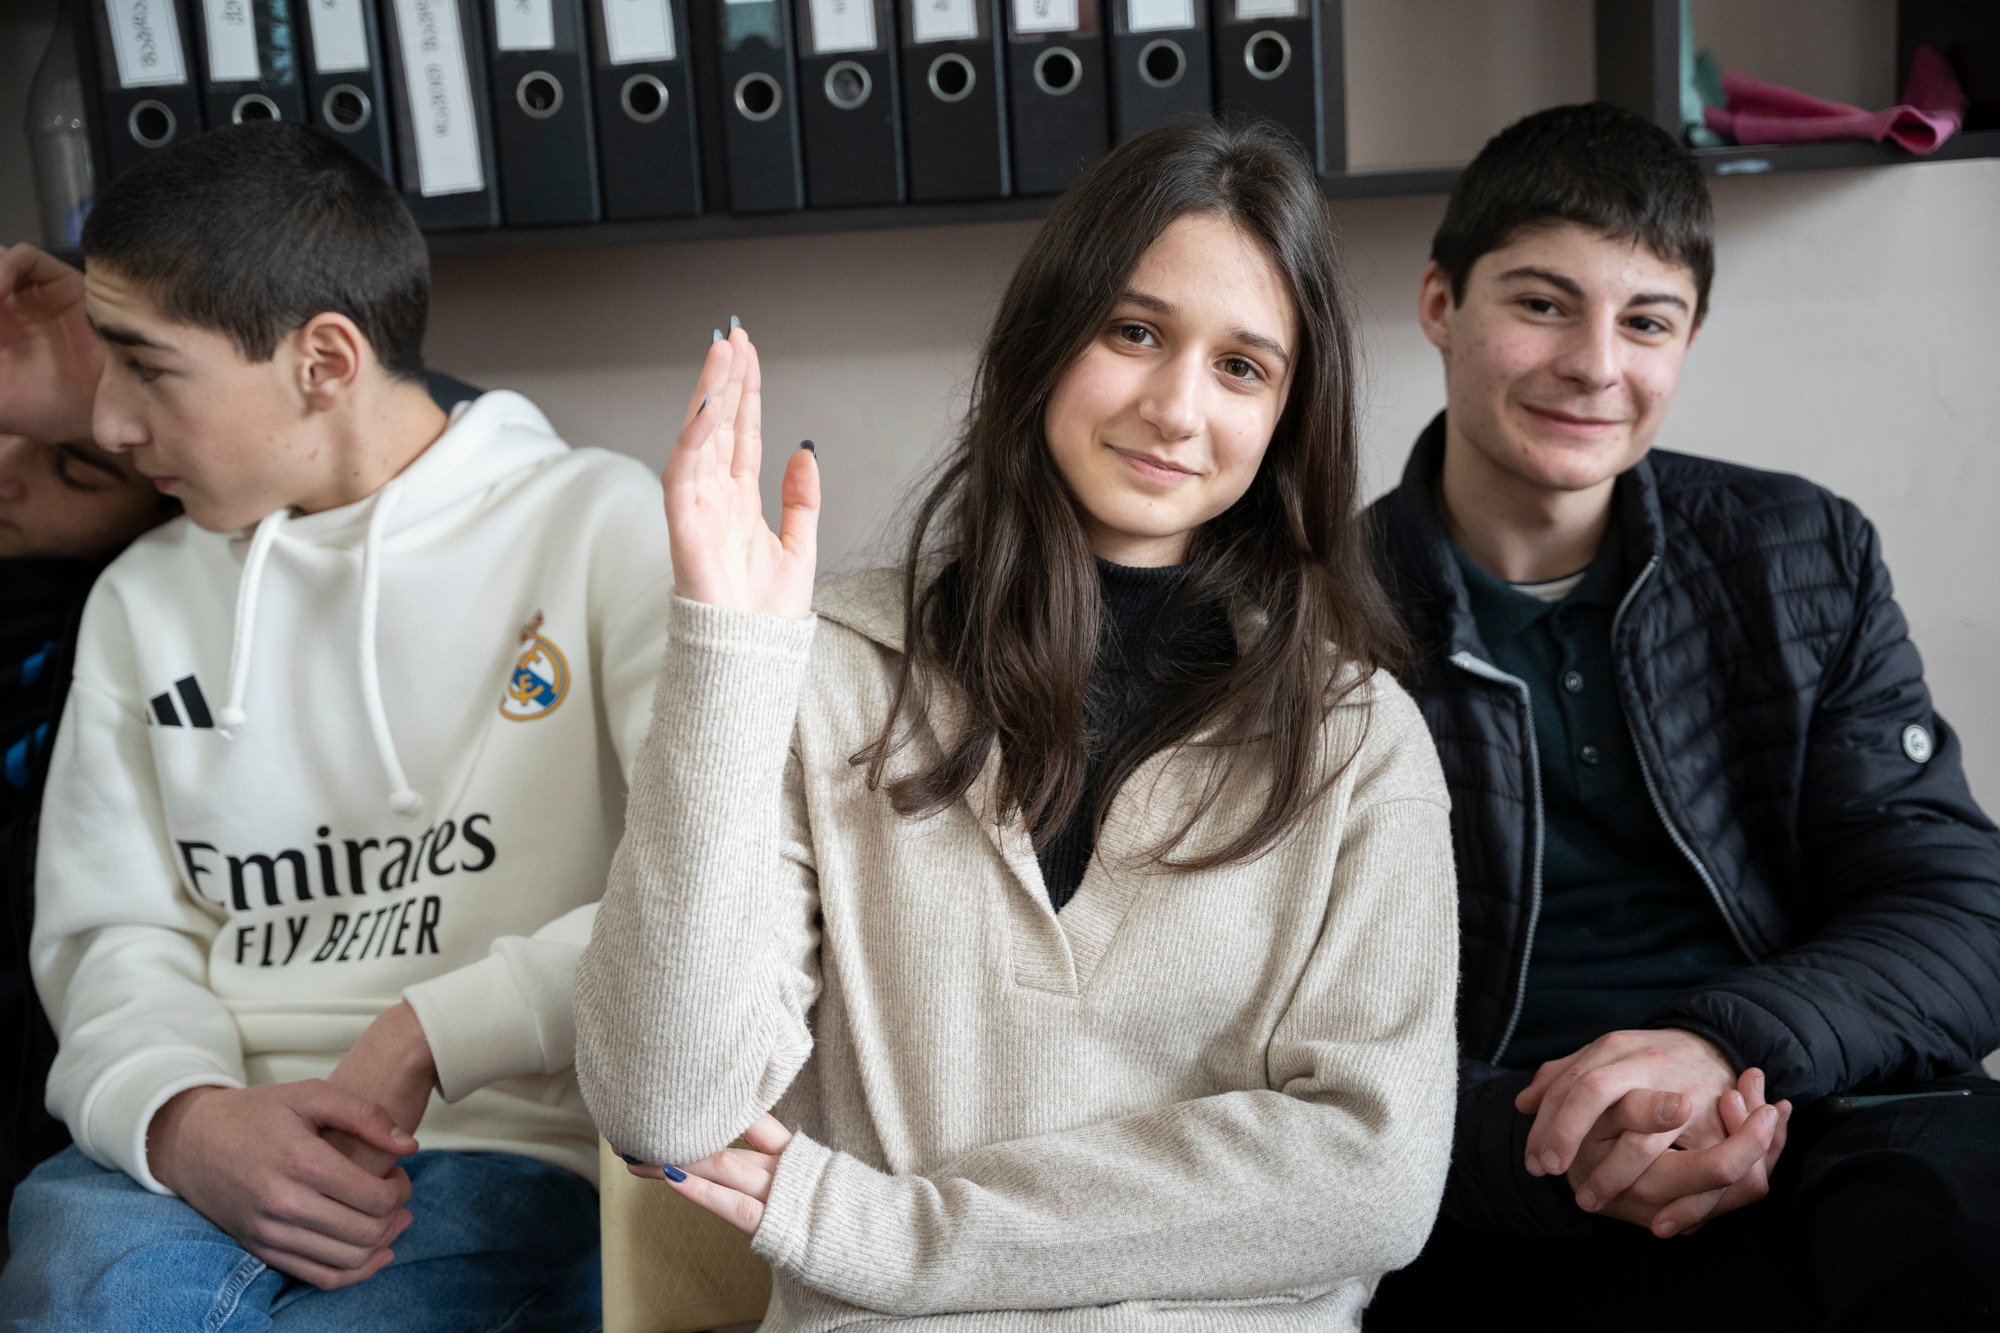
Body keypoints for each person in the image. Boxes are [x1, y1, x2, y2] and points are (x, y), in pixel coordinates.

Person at [574, 120, 1460, 1331]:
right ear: (1046, 336)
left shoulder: (1356, 740)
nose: (1176, 408)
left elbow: (1375, 1176)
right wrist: (730, 657)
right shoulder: (823, 670)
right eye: (1133, 332)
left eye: (1240, 368)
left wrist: (897, 1233)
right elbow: (663, 1106)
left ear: (1287, 418)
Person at [0, 121, 671, 1330]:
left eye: (146, 369)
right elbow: (114, 934)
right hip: (178, 1158)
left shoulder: (600, 523)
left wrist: (431, 1031)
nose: (108, 424)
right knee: (102, 1291)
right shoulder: (143, 596)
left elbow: (710, 885)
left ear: (323, 360)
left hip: (507, 1143)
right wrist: (182, 1115)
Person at [1364, 102, 2000, 1330]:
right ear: (1441, 303)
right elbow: (1291, 1035)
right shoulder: (1314, 621)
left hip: (1817, 1095)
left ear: (1687, 338)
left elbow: (1955, 909)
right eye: (1541, 303)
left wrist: (1717, 1048)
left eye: (1645, 321)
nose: (1594, 365)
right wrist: (1550, 1145)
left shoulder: (1800, 550)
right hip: (1496, 1155)